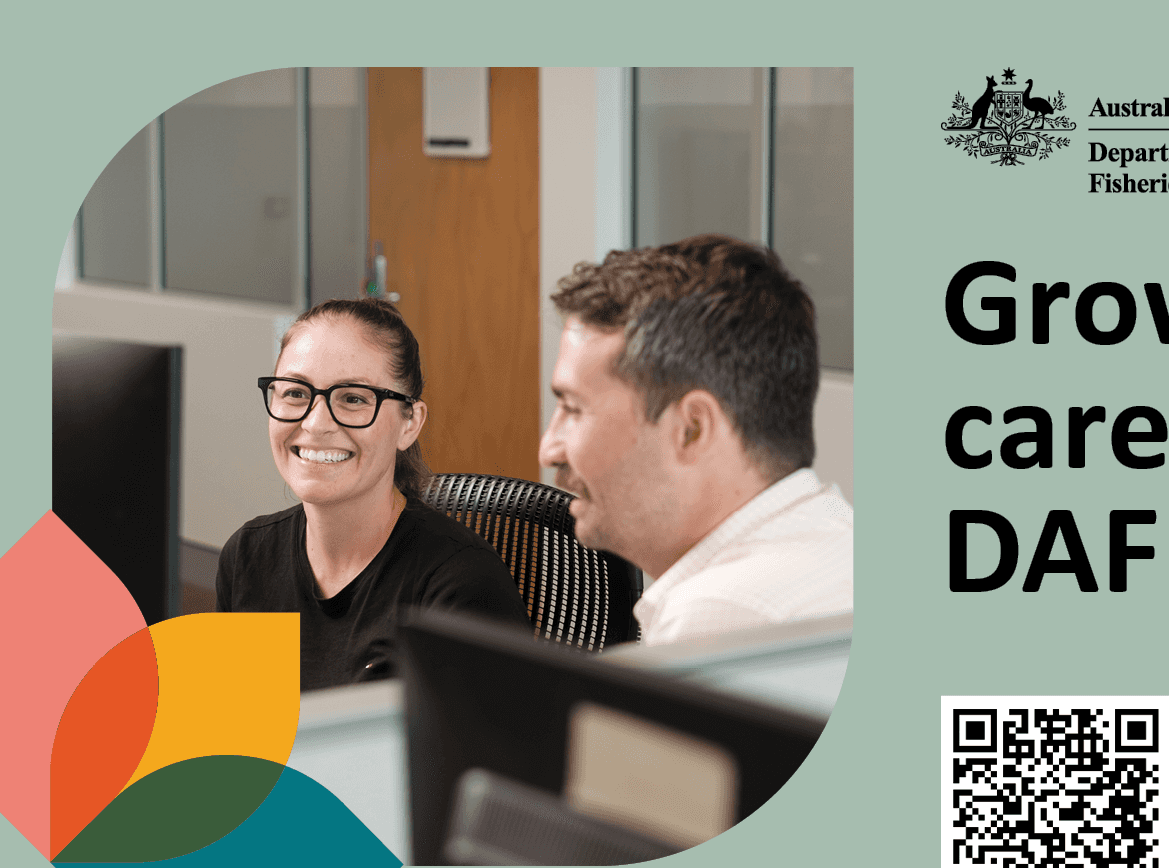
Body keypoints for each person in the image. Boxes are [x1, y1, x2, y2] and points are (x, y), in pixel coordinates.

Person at [540, 234, 852, 645]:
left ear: (692, 429)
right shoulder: (840, 538)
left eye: (574, 409)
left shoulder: (719, 618)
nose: (549, 449)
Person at [216, 299, 530, 689]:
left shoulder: (460, 585)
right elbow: (232, 738)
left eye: (353, 399)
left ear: (409, 423)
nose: (315, 424)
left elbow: (484, 748)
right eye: (295, 393)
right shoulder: (248, 556)